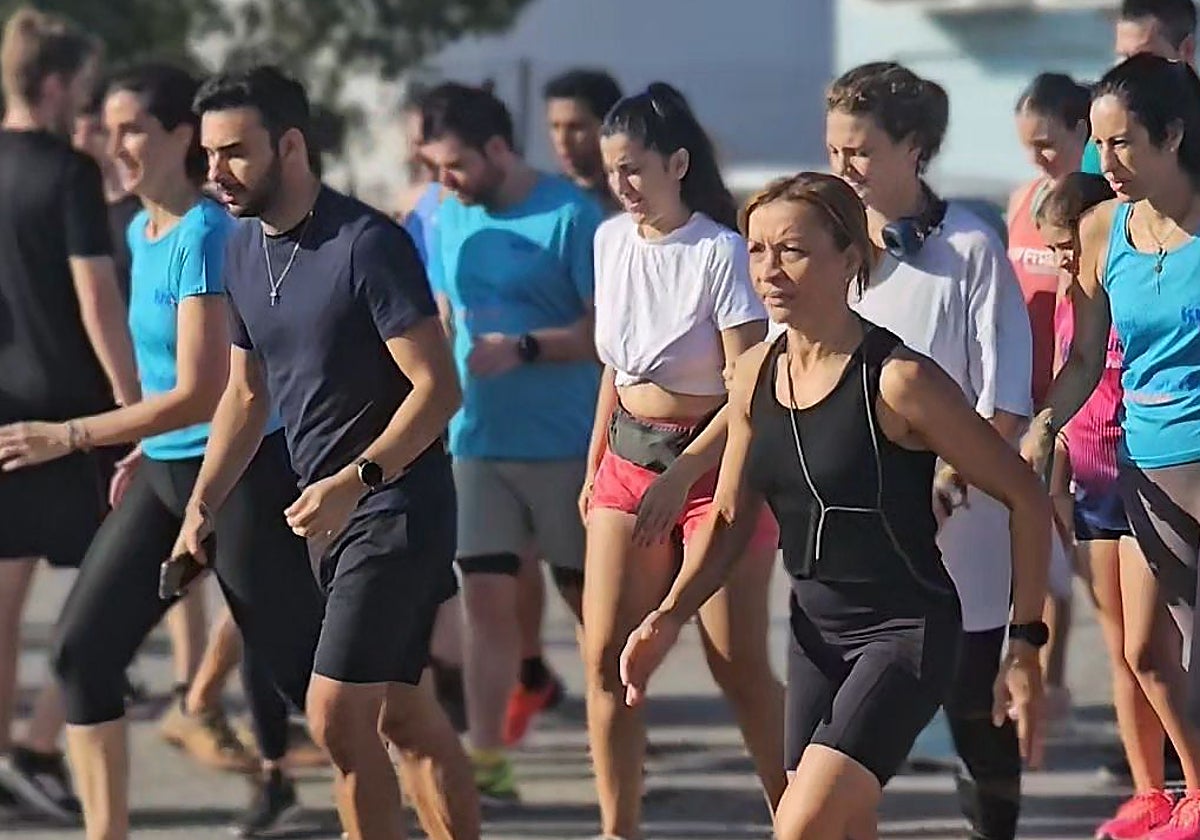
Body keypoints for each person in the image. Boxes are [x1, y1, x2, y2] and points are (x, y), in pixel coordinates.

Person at [618, 170, 1049, 840]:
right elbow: (730, 515)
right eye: (756, 250)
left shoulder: (901, 380)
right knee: (842, 829)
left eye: (792, 250)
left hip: (905, 632)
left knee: (799, 827)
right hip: (814, 633)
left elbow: (1024, 495)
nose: (770, 270)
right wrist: (668, 616)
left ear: (849, 256)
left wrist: (1023, 644)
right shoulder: (756, 372)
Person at [0, 62, 328, 839]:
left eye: (133, 130)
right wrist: (135, 450)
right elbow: (161, 388)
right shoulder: (139, 230)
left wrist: (71, 435)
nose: (114, 146)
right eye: (108, 130)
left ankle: (392, 777)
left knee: (306, 677)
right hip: (163, 472)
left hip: (239, 471)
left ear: (182, 135)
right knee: (82, 654)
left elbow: (200, 392)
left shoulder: (208, 235)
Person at [187, 65, 479, 840]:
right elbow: (247, 396)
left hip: (397, 507)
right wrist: (203, 502)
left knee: (338, 718)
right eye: (208, 154)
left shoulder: (367, 244)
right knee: (406, 717)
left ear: (290, 144)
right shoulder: (243, 251)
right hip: (330, 517)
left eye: (234, 152)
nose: (215, 171)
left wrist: (360, 478)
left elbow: (437, 389)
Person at [825, 61, 1036, 840]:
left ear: (913, 148)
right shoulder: (831, 247)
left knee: (975, 712)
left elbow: (1005, 396)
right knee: (848, 729)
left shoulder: (973, 248)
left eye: (859, 151)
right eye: (835, 151)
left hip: (963, 523)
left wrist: (951, 477)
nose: (843, 169)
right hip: (860, 525)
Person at [580, 82, 785, 840]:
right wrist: (594, 464)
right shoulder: (608, 241)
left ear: (677, 163)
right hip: (627, 459)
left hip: (711, 466)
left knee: (736, 663)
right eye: (612, 171)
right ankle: (617, 826)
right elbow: (615, 368)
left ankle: (793, 810)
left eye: (635, 168)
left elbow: (748, 392)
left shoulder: (721, 250)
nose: (623, 186)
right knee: (607, 658)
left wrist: (683, 476)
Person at [1022, 53, 1200, 839]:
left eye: (1124, 143)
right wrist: (1044, 423)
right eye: (1099, 146)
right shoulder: (1101, 228)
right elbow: (1087, 360)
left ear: (1173, 134)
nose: (1107, 163)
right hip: (1143, 467)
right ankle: (1190, 794)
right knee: (1146, 653)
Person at [418, 81, 601, 804]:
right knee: (486, 605)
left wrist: (525, 346)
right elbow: (441, 313)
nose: (444, 182)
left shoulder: (571, 215)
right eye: (434, 166)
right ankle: (488, 761)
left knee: (595, 615)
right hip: (477, 445)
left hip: (565, 448)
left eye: (455, 165)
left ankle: (617, 742)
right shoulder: (445, 216)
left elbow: (604, 336)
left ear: (498, 147)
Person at [0, 7, 139, 824]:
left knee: (5, 599)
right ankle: (39, 745)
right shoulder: (67, 172)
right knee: (109, 593)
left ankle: (13, 755)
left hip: (4, 406)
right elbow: (96, 295)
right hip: (68, 411)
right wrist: (133, 407)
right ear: (53, 86)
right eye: (78, 89)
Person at [1009, 72, 1093, 723]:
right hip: (1021, 394)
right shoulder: (1021, 200)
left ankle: (1055, 680)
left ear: (1079, 132)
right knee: (1024, 540)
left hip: (1072, 399)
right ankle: (1024, 675)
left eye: (1048, 142)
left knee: (1066, 547)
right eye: (1027, 145)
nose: (1039, 156)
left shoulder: (1091, 212)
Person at [1083, 0, 1197, 174]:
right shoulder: (1105, 138)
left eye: (1142, 58)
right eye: (1123, 58)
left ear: (1186, 50)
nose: (1127, 72)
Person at [544, 68, 623, 214]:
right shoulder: (547, 202)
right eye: (555, 127)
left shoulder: (637, 200)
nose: (563, 140)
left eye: (575, 127)